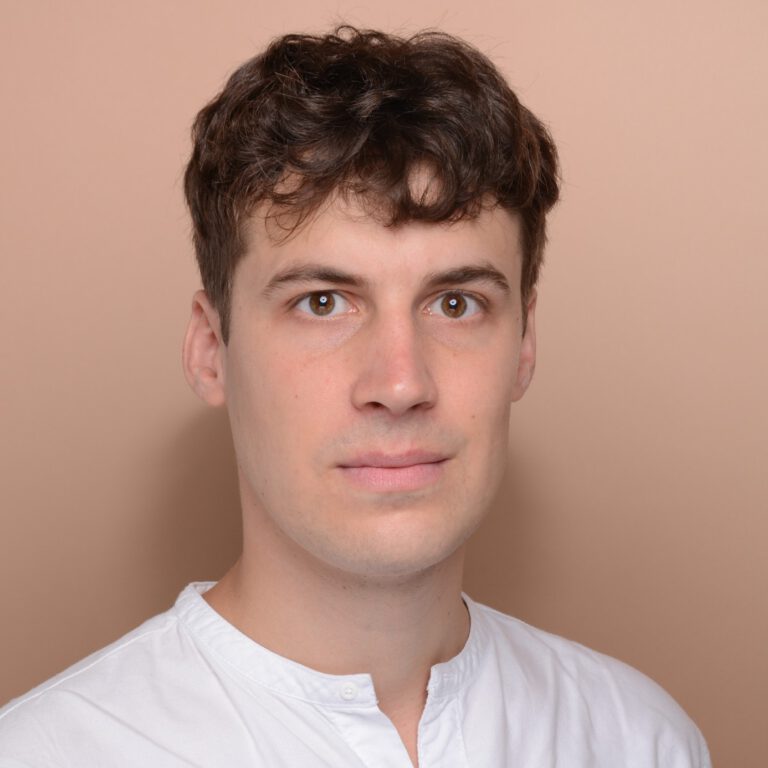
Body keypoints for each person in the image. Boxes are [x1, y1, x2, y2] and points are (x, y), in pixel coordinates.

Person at [0, 26, 710, 768]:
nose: (401, 385)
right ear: (211, 350)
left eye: (456, 304)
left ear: (524, 346)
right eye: (323, 303)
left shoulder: (642, 741)